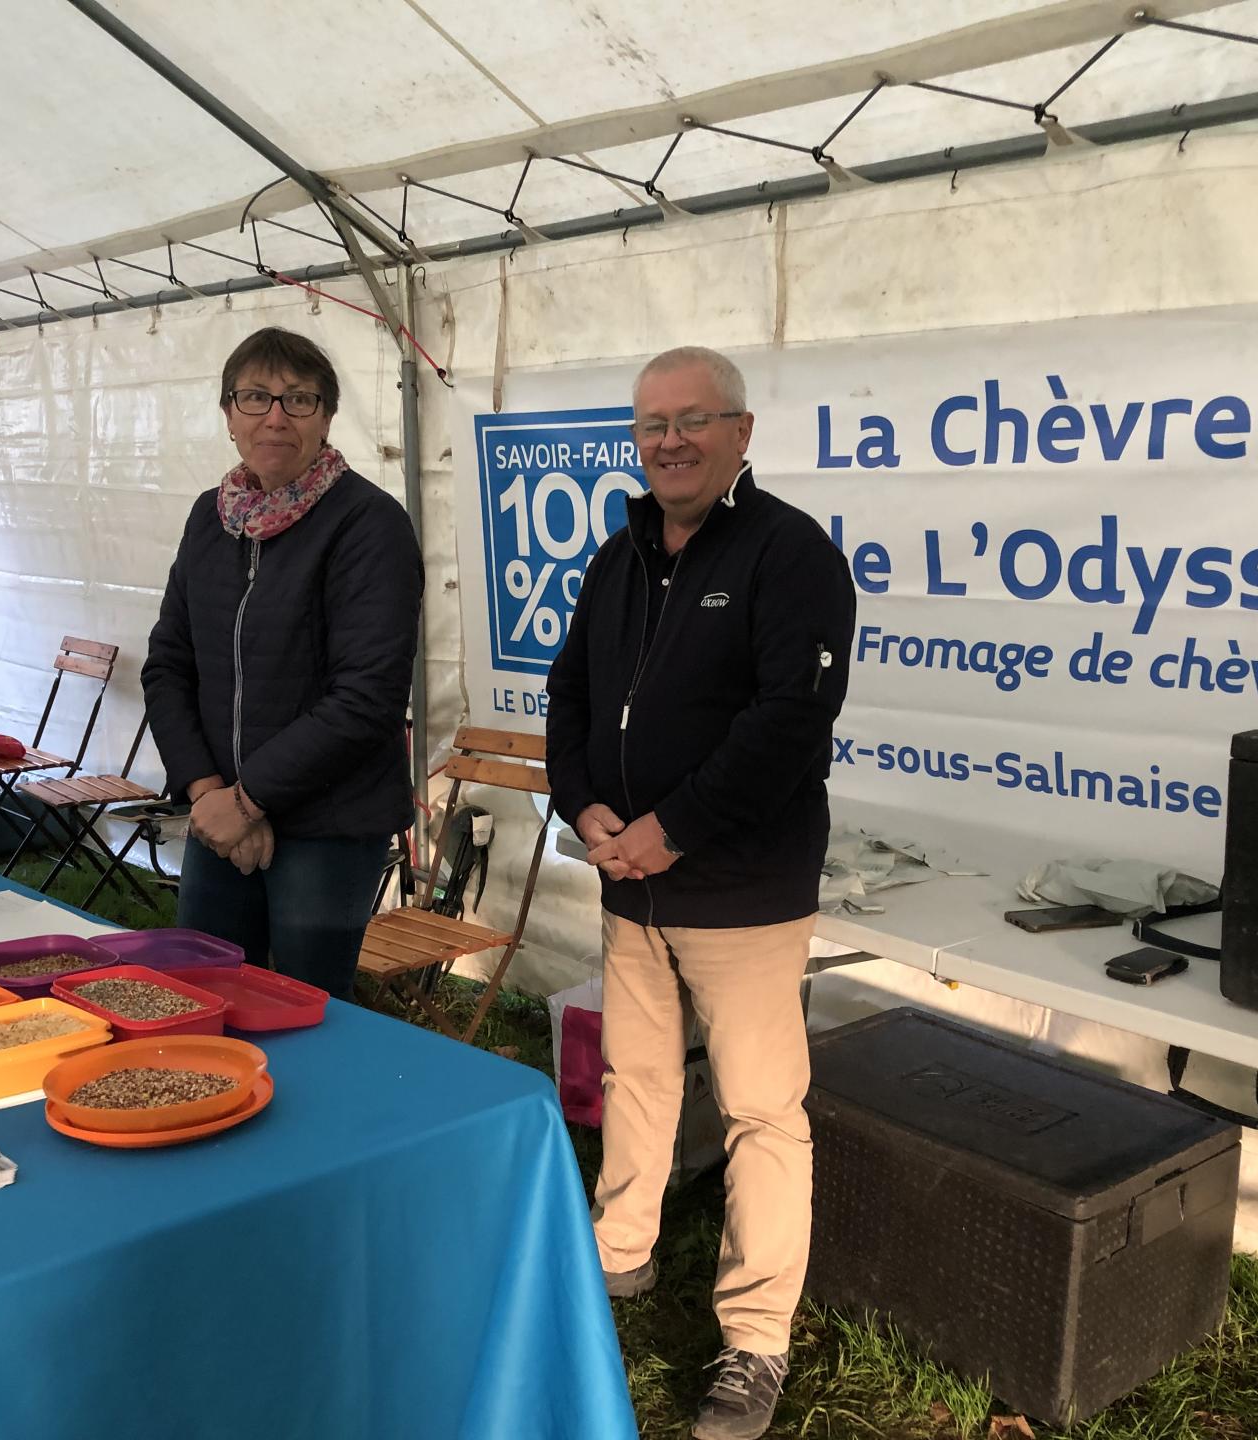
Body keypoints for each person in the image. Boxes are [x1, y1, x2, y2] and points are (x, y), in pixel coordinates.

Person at [546, 346, 854, 1440]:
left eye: (692, 420)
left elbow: (787, 724)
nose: (668, 441)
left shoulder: (790, 555)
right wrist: (584, 810)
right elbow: (570, 691)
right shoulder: (619, 555)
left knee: (762, 1111)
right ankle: (616, 1258)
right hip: (629, 883)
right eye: (650, 424)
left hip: (741, 894)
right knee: (635, 1078)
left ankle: (755, 1341)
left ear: (741, 433)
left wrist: (670, 832)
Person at [143, 327, 422, 1000]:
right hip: (219, 815)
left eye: (299, 400)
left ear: (326, 418)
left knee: (305, 1011)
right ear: (229, 415)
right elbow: (167, 667)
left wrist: (248, 799)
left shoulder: (368, 525)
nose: (276, 415)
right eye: (256, 397)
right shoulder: (210, 522)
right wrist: (208, 793)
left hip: (327, 828)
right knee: (202, 998)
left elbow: (366, 697)